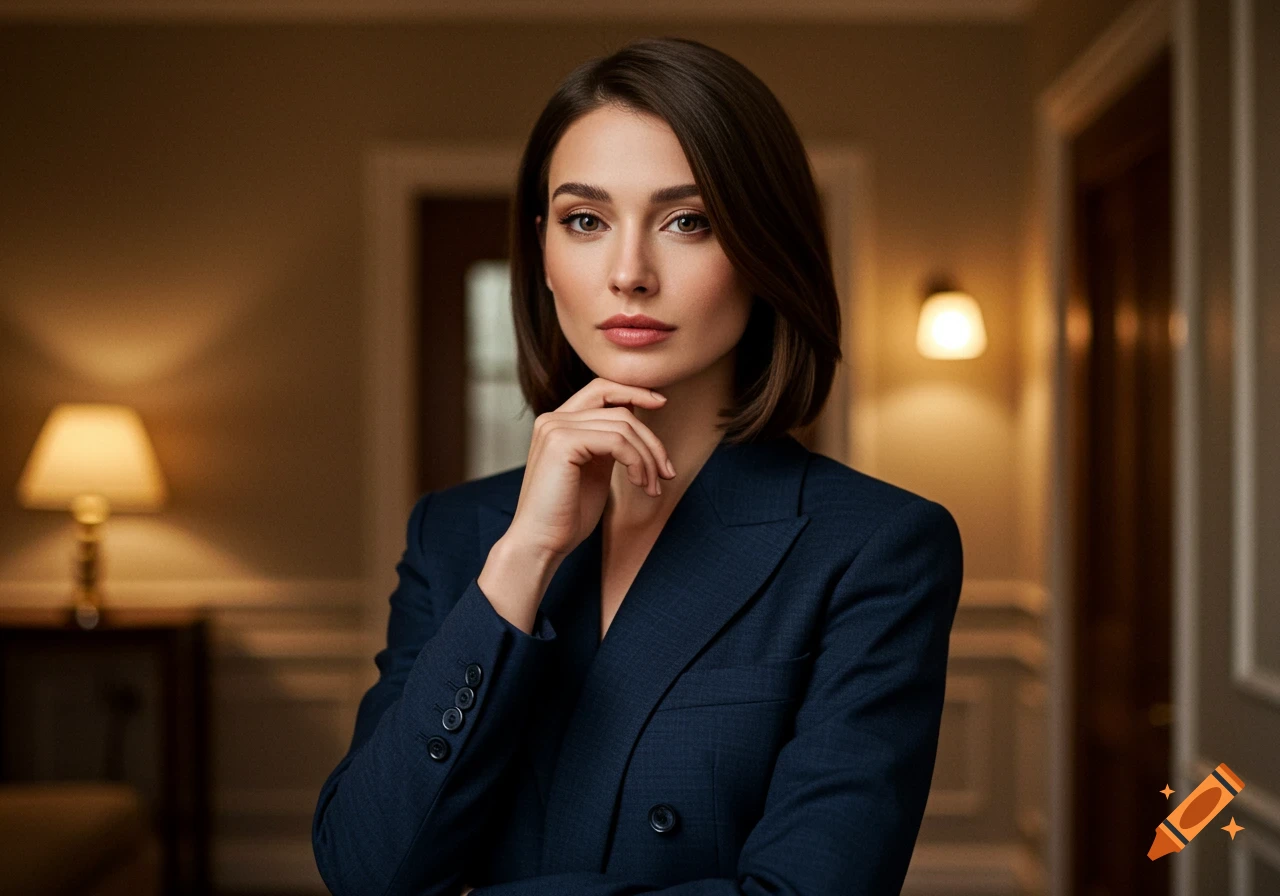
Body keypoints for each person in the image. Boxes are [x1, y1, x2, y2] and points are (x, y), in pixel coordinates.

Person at [312, 36, 964, 896]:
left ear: (764, 249)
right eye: (586, 221)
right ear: (542, 253)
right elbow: (365, 869)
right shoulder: (458, 534)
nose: (628, 274)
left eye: (687, 221)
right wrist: (523, 560)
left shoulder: (877, 546)